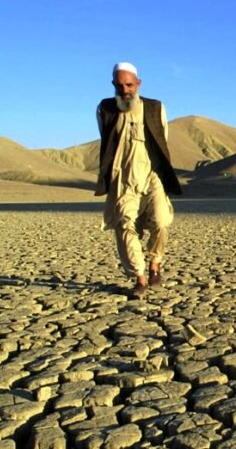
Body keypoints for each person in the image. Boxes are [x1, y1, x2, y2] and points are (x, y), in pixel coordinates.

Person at [95, 62, 182, 298]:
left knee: (162, 221)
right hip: (123, 177)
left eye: (130, 85)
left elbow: (162, 138)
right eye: (120, 85)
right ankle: (140, 278)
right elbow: (107, 140)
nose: (125, 90)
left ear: (139, 84)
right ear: (114, 85)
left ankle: (155, 263)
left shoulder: (155, 108)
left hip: (152, 174)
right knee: (124, 225)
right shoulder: (105, 109)